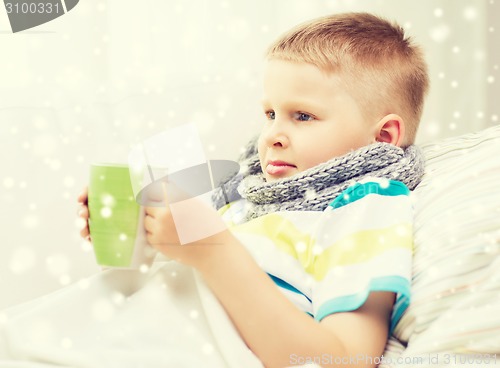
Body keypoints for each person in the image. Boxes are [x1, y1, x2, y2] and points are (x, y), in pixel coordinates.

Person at [77, 12, 429, 368]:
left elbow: (344, 360)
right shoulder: (246, 200)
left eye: (303, 116)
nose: (272, 135)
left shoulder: (365, 204)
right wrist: (138, 237)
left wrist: (212, 249)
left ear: (383, 137)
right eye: (270, 114)